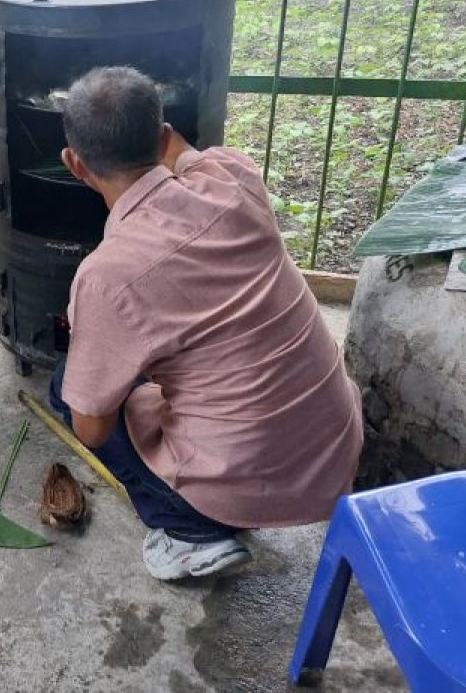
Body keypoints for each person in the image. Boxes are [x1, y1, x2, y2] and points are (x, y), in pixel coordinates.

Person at [49, 67, 363, 581]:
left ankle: (191, 530)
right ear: (162, 137)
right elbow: (182, 151)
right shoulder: (233, 175)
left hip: (246, 484)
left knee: (69, 390)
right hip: (333, 446)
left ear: (74, 164)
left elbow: (92, 427)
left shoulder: (107, 276)